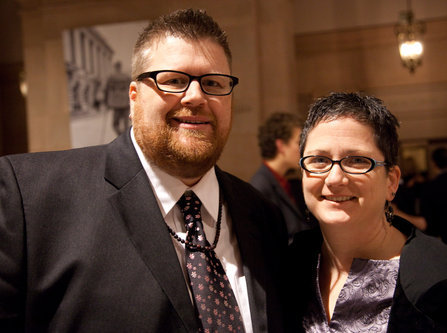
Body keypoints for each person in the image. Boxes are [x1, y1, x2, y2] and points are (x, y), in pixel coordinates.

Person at [0, 9, 289, 333]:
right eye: (174, 80)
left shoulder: (262, 216)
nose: (196, 96)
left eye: (213, 83)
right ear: (134, 97)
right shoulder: (30, 199)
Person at [287, 92, 447, 332]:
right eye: (319, 160)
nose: (335, 178)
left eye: (357, 160)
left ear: (391, 182)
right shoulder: (286, 267)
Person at [250, 112, 315, 244]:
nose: (303, 150)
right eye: (299, 142)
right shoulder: (260, 186)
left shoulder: (290, 182)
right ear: (281, 146)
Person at [105, 61, 131, 135]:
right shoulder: (126, 77)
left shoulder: (111, 77)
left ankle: (120, 136)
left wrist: (106, 102)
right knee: (126, 124)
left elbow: (106, 90)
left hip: (116, 103)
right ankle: (125, 138)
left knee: (115, 124)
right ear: (120, 67)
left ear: (115, 67)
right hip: (126, 102)